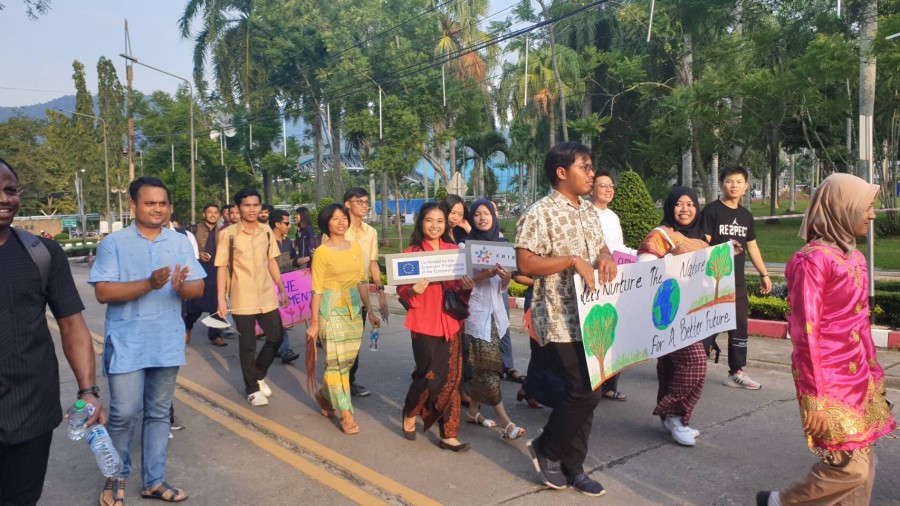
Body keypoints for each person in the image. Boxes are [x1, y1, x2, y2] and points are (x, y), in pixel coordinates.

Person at [757, 174, 897, 506]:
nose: (873, 215)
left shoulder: (856, 258)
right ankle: (780, 502)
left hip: (858, 377)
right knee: (851, 470)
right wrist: (814, 398)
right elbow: (806, 334)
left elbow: (861, 322)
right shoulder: (812, 261)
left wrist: (875, 374)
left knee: (865, 462)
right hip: (827, 380)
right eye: (867, 207)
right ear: (842, 208)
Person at [89, 176, 204, 504]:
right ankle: (115, 478)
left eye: (162, 203)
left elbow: (197, 287)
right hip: (126, 342)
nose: (157, 209)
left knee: (158, 412)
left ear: (169, 207)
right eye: (150, 203)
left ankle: (154, 480)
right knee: (124, 413)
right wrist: (149, 284)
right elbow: (103, 292)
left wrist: (182, 288)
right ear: (133, 205)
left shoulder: (179, 242)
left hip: (166, 341)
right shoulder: (114, 244)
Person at [0, 158, 105, 506]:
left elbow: (72, 323)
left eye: (10, 190)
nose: (5, 198)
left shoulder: (42, 253)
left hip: (30, 411)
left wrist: (88, 392)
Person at [515, 141, 616, 496]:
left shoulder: (590, 212)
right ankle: (546, 449)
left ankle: (574, 466)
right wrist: (571, 259)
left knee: (587, 393)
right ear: (562, 172)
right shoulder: (539, 212)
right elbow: (525, 263)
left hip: (592, 314)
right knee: (584, 392)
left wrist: (605, 257)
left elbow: (599, 247)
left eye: (591, 167)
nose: (592, 174)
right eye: (585, 167)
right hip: (557, 316)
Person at [636, 187, 712, 447]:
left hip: (695, 313)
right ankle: (677, 415)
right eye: (679, 204)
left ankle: (671, 417)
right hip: (669, 312)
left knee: (671, 366)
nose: (685, 209)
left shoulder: (702, 240)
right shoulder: (661, 235)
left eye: (690, 204)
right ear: (670, 207)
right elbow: (645, 269)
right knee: (696, 365)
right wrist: (676, 270)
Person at [397, 203, 475, 452]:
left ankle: (448, 433)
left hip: (451, 323)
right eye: (429, 220)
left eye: (440, 221)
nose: (435, 226)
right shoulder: (411, 253)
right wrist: (411, 290)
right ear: (421, 223)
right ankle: (411, 411)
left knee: (451, 378)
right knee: (427, 375)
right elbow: (401, 289)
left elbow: (461, 291)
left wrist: (466, 286)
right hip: (423, 322)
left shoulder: (454, 252)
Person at [305, 204, 380, 434]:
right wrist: (315, 323)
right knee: (336, 362)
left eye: (343, 218)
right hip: (330, 310)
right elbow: (316, 289)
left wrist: (371, 310)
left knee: (346, 362)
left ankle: (325, 395)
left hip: (353, 310)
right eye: (334, 218)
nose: (340, 222)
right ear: (326, 223)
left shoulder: (355, 247)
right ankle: (346, 414)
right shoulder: (322, 252)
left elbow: (360, 281)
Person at [215, 188, 289, 407]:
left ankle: (257, 373)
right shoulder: (227, 235)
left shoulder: (266, 231)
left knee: (275, 336)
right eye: (247, 205)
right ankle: (251, 388)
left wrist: (281, 288)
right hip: (241, 296)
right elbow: (221, 267)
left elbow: (272, 261)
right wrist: (221, 299)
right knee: (247, 345)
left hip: (266, 294)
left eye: (256, 205)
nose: (252, 209)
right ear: (238, 208)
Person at [700, 166, 771, 390]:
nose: (734, 185)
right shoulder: (712, 211)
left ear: (746, 186)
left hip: (736, 282)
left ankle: (736, 371)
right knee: (706, 326)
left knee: (739, 324)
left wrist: (764, 273)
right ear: (722, 184)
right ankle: (690, 366)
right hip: (713, 280)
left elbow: (753, 247)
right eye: (729, 181)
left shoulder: (746, 216)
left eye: (739, 182)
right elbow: (703, 244)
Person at [461, 199, 525, 439]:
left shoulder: (503, 246)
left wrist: (506, 277)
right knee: (489, 368)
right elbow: (462, 284)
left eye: (486, 213)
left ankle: (474, 411)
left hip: (496, 315)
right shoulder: (465, 246)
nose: (482, 218)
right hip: (476, 315)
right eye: (477, 214)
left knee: (484, 366)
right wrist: (483, 275)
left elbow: (502, 287)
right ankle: (506, 422)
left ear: (494, 216)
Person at [340, 188, 389, 398]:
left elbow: (373, 264)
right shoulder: (338, 229)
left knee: (354, 342)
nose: (364, 205)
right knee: (340, 343)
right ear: (347, 204)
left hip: (360, 296)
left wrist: (381, 293)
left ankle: (349, 381)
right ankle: (336, 385)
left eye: (367, 202)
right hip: (338, 296)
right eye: (359, 201)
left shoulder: (371, 232)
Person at [591, 171, 635, 402]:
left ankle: (610, 384)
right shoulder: (586, 215)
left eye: (611, 186)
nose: (608, 189)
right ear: (591, 189)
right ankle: (593, 386)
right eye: (603, 185)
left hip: (615, 281)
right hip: (594, 282)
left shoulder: (613, 217)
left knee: (615, 331)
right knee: (597, 332)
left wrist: (640, 255)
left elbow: (619, 247)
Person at [183, 204, 227, 347]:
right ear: (204, 214)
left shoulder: (223, 231)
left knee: (216, 304)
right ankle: (187, 329)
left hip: (217, 272)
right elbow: (187, 249)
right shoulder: (193, 230)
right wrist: (198, 255)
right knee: (194, 305)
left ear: (219, 215)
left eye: (215, 212)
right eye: (209, 212)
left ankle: (215, 335)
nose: (213, 215)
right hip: (199, 271)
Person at [269, 209, 300, 364]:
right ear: (277, 224)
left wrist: (311, 257)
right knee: (279, 320)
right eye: (287, 223)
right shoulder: (266, 242)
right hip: (271, 286)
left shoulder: (287, 242)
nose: (289, 226)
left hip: (288, 285)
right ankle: (285, 350)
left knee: (282, 320)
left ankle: (277, 348)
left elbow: (294, 261)